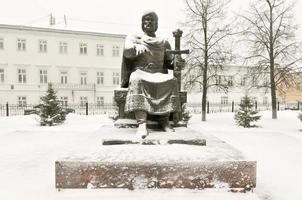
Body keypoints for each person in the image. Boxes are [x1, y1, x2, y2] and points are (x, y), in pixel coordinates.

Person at [121, 11, 180, 139]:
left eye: (152, 20)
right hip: (141, 72)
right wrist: (136, 47)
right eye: (146, 20)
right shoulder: (134, 37)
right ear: (142, 23)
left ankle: (164, 121)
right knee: (137, 80)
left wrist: (179, 63)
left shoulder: (163, 41)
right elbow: (127, 52)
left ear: (156, 24)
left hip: (158, 73)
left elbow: (170, 62)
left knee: (172, 80)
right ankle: (142, 124)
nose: (149, 22)